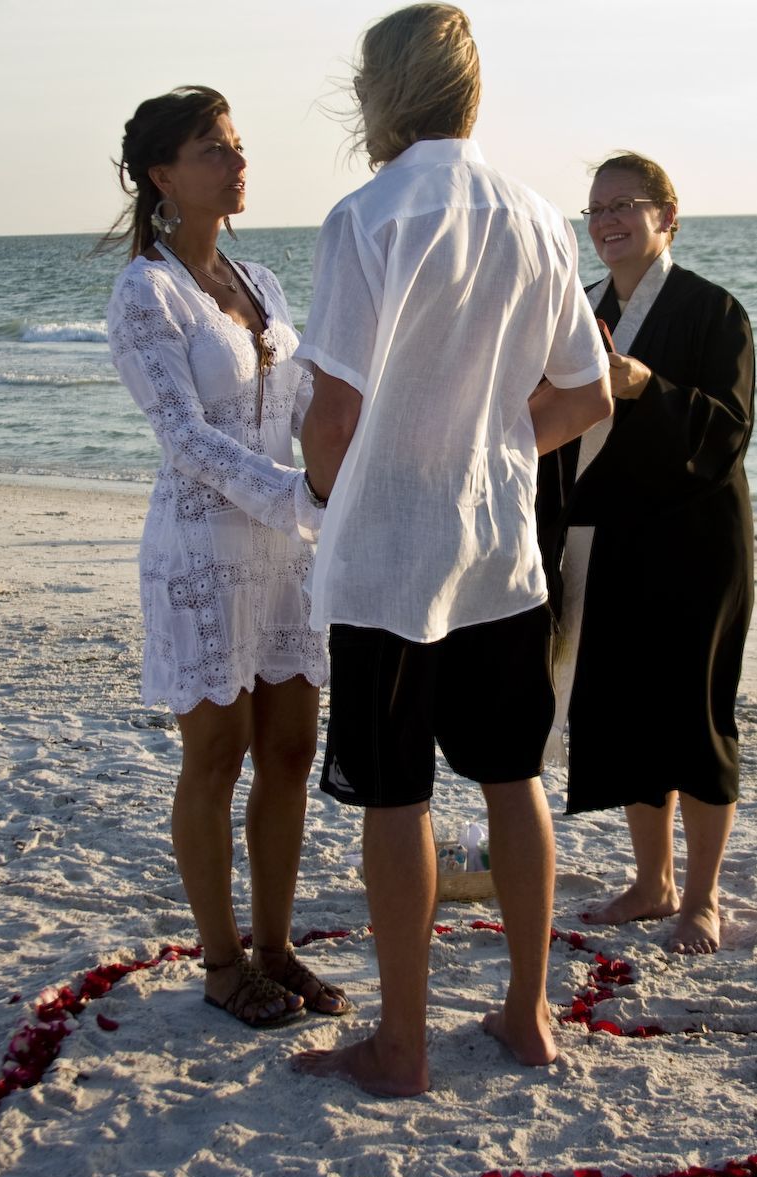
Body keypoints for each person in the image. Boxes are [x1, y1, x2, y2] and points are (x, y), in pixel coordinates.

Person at [290, 4, 611, 1096]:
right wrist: (501, 446)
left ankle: (404, 1042)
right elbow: (591, 387)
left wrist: (335, 496)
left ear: (381, 93)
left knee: (396, 793)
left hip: (392, 551)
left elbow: (331, 411)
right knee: (510, 777)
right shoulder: (533, 216)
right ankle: (526, 1012)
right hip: (497, 543)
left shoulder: (366, 215)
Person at [104, 86, 348, 1027]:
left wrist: (346, 466)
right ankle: (219, 962)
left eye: (238, 146)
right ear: (165, 176)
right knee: (217, 755)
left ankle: (277, 948)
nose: (237, 163)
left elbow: (298, 410)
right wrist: (300, 496)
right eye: (214, 149)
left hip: (287, 553)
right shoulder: (145, 291)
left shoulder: (263, 284)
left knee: (290, 746)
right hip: (202, 549)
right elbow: (184, 437)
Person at [538, 152, 754, 956]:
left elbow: (728, 431)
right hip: (609, 536)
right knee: (625, 710)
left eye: (623, 205)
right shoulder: (584, 308)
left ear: (668, 216)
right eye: (594, 210)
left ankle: (698, 898)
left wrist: (642, 387)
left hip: (698, 543)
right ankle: (651, 880)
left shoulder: (714, 310)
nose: (606, 222)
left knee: (693, 715)